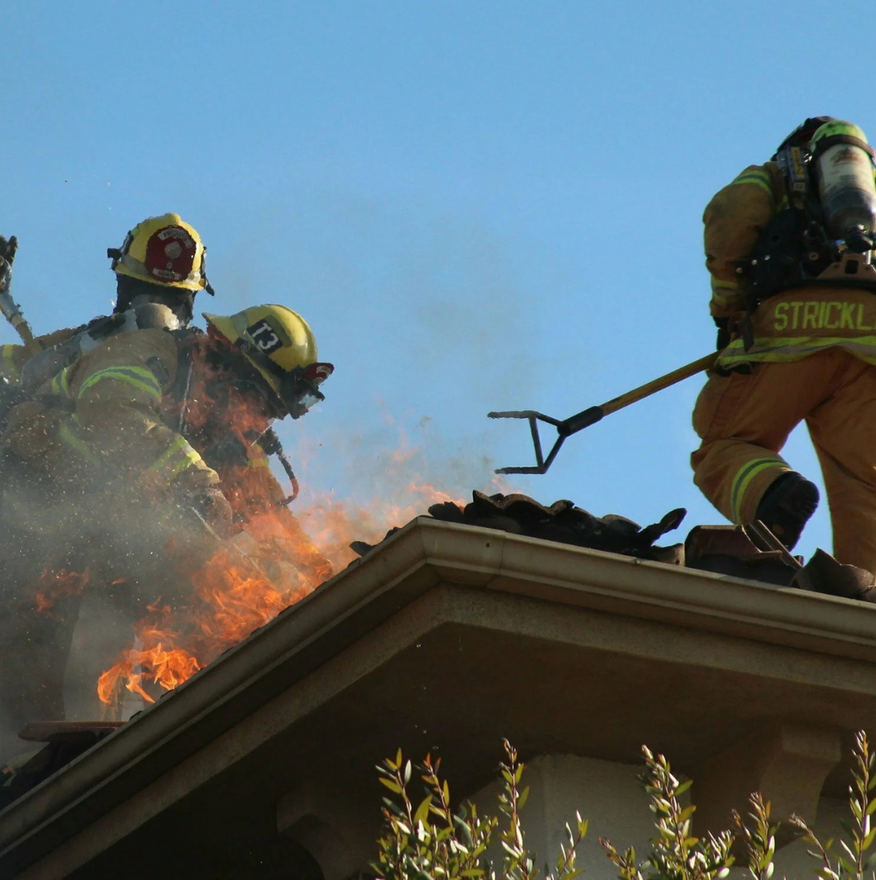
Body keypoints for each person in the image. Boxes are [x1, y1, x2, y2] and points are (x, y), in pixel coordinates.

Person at [0, 303, 333, 761]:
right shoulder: (149, 353)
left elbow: (270, 518)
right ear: (221, 360)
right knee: (31, 660)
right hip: (25, 515)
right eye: (257, 401)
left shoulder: (225, 435)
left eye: (271, 414)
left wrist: (323, 578)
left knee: (193, 598)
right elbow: (113, 414)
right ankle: (27, 768)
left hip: (95, 547)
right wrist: (196, 481)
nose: (258, 425)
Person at [692, 117, 876, 571]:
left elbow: (731, 217)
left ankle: (773, 494)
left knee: (724, 444)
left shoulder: (777, 173)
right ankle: (864, 594)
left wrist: (729, 309)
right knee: (865, 483)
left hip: (788, 334)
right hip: (869, 350)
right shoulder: (869, 193)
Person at [0, 213, 213, 394]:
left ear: (125, 282)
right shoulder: (203, 362)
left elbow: (22, 368)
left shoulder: (92, 339)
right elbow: (22, 363)